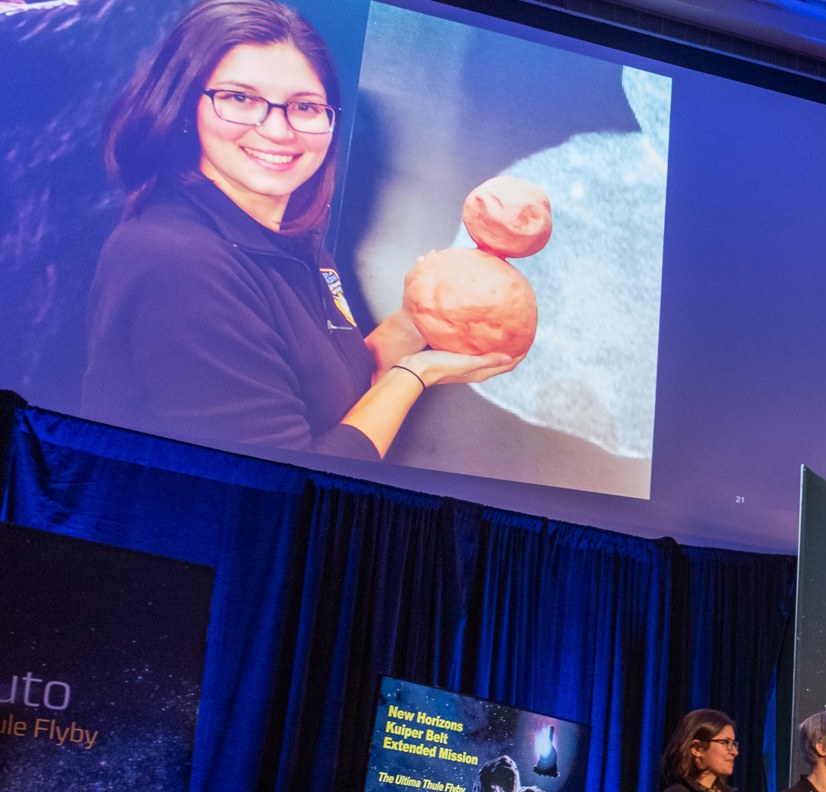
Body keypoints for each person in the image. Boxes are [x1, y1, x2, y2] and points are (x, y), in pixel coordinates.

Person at [83, 0, 516, 460]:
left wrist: (419, 320)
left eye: (304, 106)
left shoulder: (290, 243)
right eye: (240, 98)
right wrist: (415, 376)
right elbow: (285, 482)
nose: (277, 129)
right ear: (185, 106)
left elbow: (335, 392)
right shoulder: (179, 264)